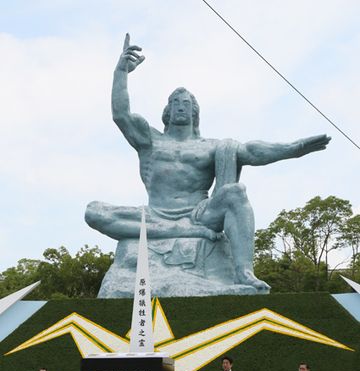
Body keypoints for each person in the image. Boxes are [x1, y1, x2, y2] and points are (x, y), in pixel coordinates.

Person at [85, 33, 331, 293]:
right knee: (94, 211)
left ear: (194, 111)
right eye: (175, 103)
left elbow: (251, 151)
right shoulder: (150, 140)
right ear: (167, 111)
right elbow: (121, 115)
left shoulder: (212, 146)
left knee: (236, 193)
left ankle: (243, 272)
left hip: (199, 215)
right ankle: (170, 230)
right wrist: (121, 72)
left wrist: (293, 149)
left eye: (186, 103)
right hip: (155, 213)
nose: (181, 106)